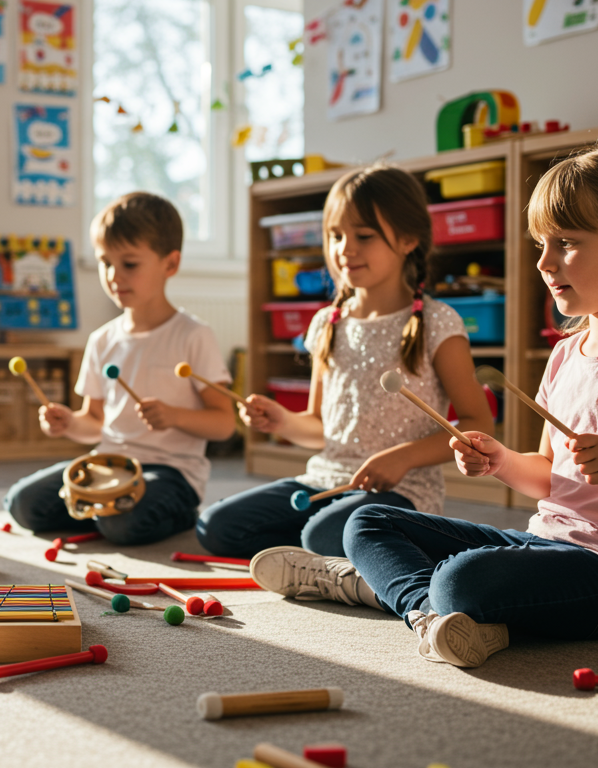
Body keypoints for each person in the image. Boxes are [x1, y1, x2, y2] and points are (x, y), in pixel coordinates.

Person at [267, 141, 598, 669]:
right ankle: (428, 613)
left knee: (461, 579)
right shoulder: (566, 354)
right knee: (368, 523)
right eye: (541, 244)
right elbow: (550, 478)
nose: (543, 262)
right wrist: (502, 461)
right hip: (548, 543)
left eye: (565, 243)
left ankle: (387, 591)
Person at [200, 164, 492, 564]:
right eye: (336, 235)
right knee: (216, 526)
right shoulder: (327, 323)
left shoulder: (438, 323)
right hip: (325, 481)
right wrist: (282, 421)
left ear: (408, 239)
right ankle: (345, 553)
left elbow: (478, 424)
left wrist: (403, 457)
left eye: (364, 236)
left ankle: (350, 546)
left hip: (402, 492)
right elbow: (319, 427)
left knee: (321, 534)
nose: (345, 249)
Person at [4, 192, 237, 546]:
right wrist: (69, 423)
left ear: (170, 264)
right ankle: (101, 510)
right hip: (107, 463)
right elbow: (94, 421)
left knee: (122, 524)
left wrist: (174, 416)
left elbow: (224, 424)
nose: (114, 276)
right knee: (22, 504)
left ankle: (174, 512)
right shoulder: (102, 340)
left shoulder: (194, 335)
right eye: (105, 263)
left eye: (129, 264)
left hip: (171, 472)